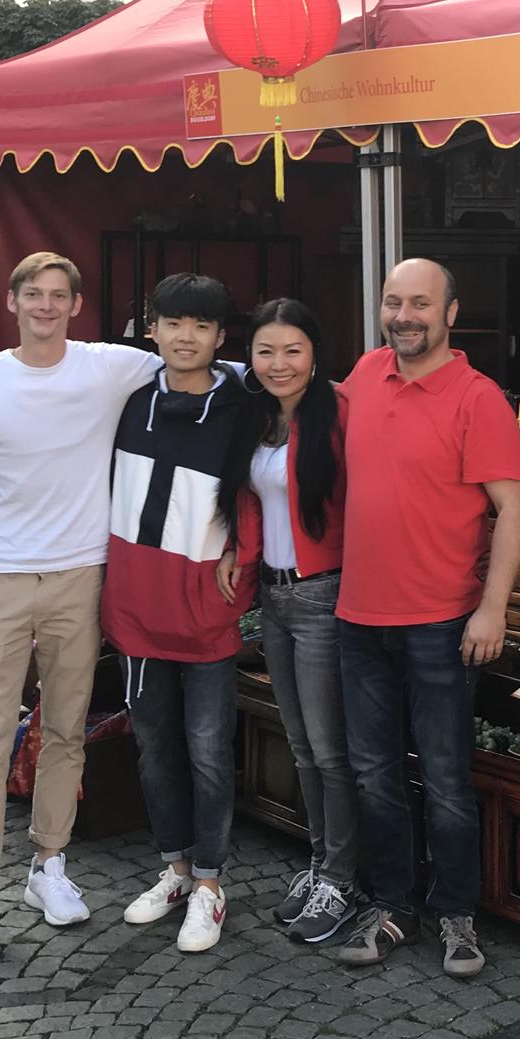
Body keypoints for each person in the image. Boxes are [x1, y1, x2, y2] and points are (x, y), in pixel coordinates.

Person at [0, 252, 162, 975]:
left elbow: (193, 362)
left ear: (76, 305)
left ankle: (48, 864)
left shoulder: (107, 366)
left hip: (78, 576)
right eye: (34, 294)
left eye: (59, 296)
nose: (46, 306)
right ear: (12, 300)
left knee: (65, 731)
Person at [328, 258, 520, 977]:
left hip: (443, 622)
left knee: (445, 780)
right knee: (374, 775)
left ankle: (456, 914)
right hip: (360, 617)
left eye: (420, 303)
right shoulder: (363, 375)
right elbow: (279, 392)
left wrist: (492, 608)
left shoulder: (478, 399)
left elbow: (513, 510)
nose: (404, 315)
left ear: (450, 314)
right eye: (392, 302)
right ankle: (393, 905)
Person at [104, 275, 255, 955]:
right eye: (173, 323)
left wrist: (242, 561)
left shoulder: (246, 408)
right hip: (137, 607)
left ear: (222, 338)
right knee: (155, 748)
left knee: (209, 752)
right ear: (152, 329)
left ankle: (212, 884)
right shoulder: (128, 402)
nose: (185, 337)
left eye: (201, 325)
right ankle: (173, 868)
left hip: (207, 614)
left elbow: (263, 495)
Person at [215, 298, 356, 946]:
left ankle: (342, 877)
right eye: (265, 351)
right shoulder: (257, 416)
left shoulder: (340, 414)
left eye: (292, 350)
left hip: (325, 597)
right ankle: (319, 860)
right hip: (272, 597)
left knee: (330, 749)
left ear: (315, 353)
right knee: (301, 745)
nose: (279, 363)